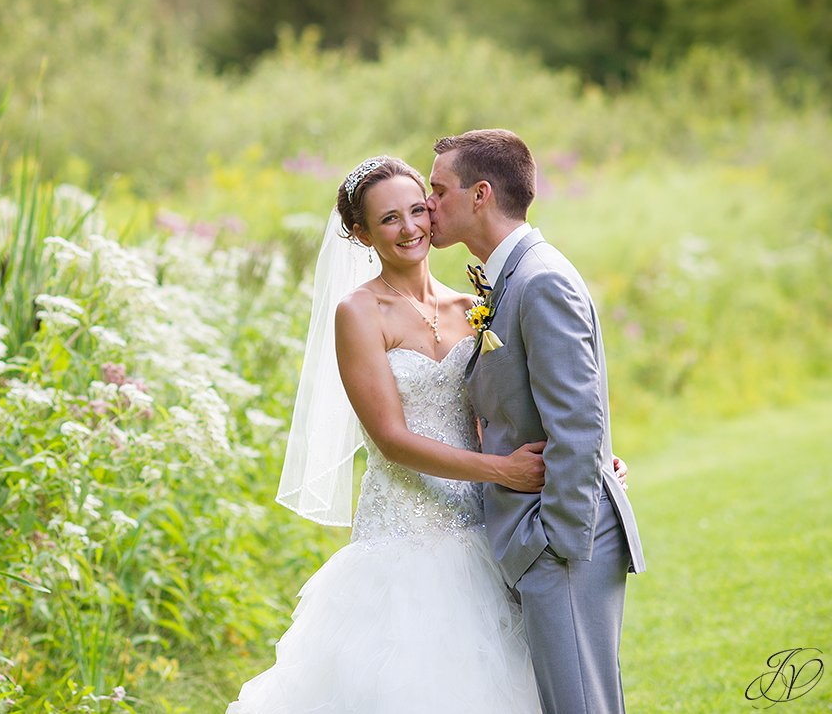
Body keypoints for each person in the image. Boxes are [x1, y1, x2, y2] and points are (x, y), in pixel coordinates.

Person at [227, 156, 628, 712]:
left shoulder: (474, 305)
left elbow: (515, 411)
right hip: (405, 534)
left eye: (419, 208)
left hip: (489, 533)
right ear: (360, 232)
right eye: (389, 219)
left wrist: (588, 460)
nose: (411, 227)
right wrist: (503, 470)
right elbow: (390, 439)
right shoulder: (359, 313)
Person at [427, 129, 646, 714]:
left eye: (438, 190)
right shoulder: (509, 276)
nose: (428, 205)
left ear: (480, 195)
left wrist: (555, 544)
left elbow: (578, 422)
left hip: (562, 545)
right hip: (540, 538)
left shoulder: (539, 278)